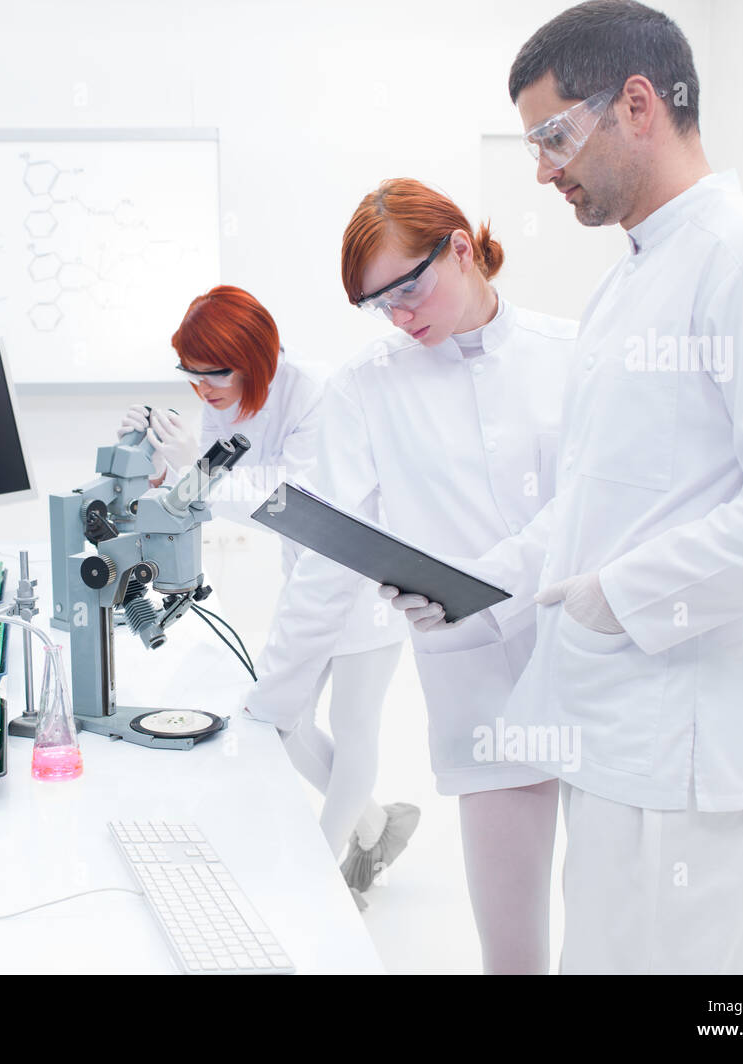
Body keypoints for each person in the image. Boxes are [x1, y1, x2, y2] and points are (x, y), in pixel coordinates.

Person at [382, 0, 743, 973]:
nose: (540, 170)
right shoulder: (626, 285)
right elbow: (589, 506)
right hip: (607, 733)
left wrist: (626, 594)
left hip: (681, 749)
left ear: (639, 103)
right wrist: (468, 584)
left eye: (553, 136)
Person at [245, 179, 578, 971]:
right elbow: (328, 556)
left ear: (462, 248)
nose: (398, 314)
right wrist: (276, 697)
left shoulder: (573, 351)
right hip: (482, 688)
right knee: (513, 952)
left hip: (592, 665)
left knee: (610, 938)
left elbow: (593, 507)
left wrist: (490, 584)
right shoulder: (368, 388)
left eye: (408, 286)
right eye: (376, 302)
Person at [116, 286, 414, 905]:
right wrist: (148, 463)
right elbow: (209, 493)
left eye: (214, 375)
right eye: (189, 378)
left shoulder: (318, 390)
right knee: (283, 718)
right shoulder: (220, 398)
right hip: (309, 574)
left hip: (365, 573)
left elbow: (293, 503)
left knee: (353, 723)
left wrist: (196, 470)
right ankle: (377, 825)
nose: (203, 391)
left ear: (257, 356)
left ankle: (323, 881)